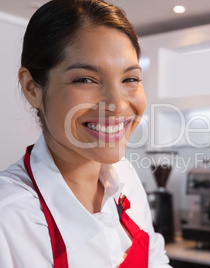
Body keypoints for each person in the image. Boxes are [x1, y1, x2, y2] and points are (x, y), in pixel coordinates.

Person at [0, 0, 171, 267]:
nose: (117, 104)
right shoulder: (9, 218)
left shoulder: (126, 179)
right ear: (32, 87)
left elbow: (155, 261)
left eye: (130, 79)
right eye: (85, 79)